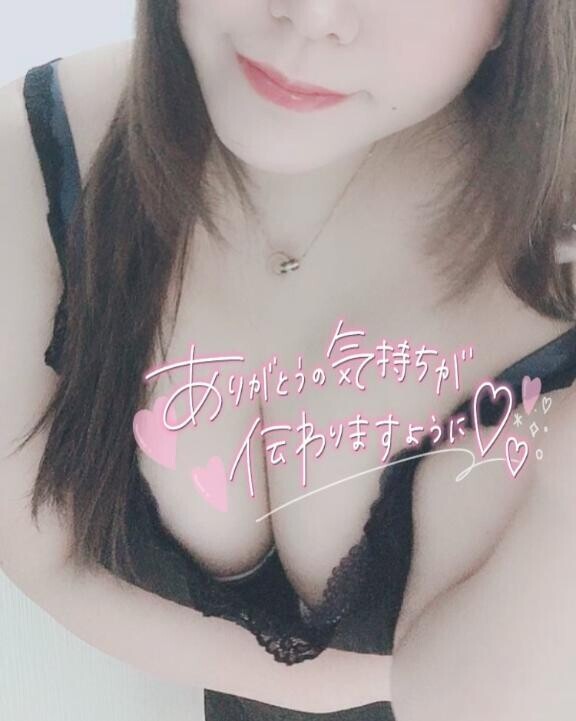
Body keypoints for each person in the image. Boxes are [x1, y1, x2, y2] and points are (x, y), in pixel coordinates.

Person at [1, 1, 576, 719]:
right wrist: (333, 685)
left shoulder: (553, 275)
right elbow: (43, 555)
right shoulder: (40, 149)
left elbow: (481, 700)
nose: (311, 15)